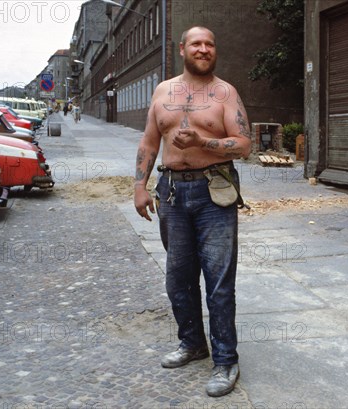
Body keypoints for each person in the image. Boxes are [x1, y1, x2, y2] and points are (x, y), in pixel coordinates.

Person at [133, 26, 251, 397]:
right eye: (196, 44)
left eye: (210, 44)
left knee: (218, 283)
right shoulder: (163, 91)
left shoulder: (225, 92)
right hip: (171, 194)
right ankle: (193, 343)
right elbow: (151, 140)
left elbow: (244, 145)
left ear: (215, 51)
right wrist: (139, 185)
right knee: (178, 278)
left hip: (213, 192)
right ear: (182, 49)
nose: (203, 49)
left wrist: (203, 141)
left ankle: (225, 359)